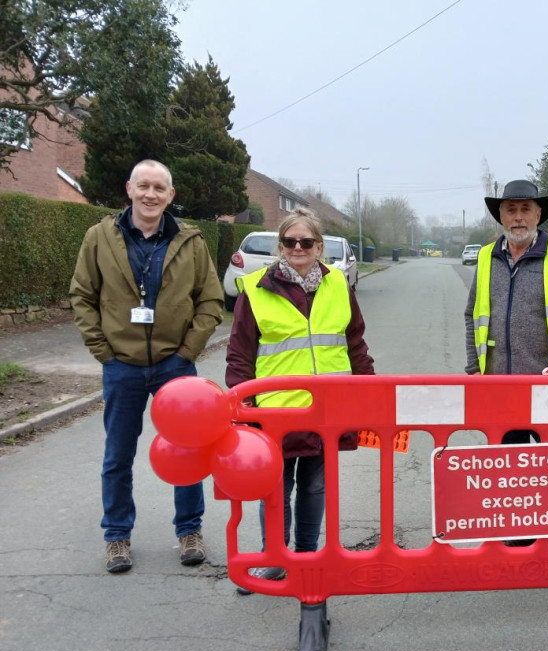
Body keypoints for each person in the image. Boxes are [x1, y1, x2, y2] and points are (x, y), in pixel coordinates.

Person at [70, 159, 224, 574]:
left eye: (159, 187)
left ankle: (189, 530)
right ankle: (117, 536)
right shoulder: (99, 237)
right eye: (144, 186)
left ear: (171, 195)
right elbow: (82, 296)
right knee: (118, 455)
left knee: (188, 451)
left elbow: (210, 301)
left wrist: (187, 352)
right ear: (129, 189)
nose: (151, 194)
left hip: (176, 366)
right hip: (122, 365)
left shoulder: (191, 242)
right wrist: (104, 350)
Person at [225, 207, 375, 593]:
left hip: (327, 411)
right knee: (275, 489)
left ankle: (307, 557)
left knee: (314, 487)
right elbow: (239, 355)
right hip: (276, 414)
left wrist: (370, 393)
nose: (298, 247)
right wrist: (243, 412)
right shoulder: (256, 289)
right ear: (280, 246)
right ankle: (273, 560)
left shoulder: (338, 285)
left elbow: (354, 343)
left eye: (306, 241)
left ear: (319, 246)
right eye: (290, 241)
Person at [464, 179, 548, 546]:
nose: (518, 217)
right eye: (511, 210)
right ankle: (517, 542)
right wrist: (474, 369)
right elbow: (470, 314)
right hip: (501, 388)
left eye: (525, 209)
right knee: (511, 473)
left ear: (538, 214)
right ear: (501, 216)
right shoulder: (487, 257)